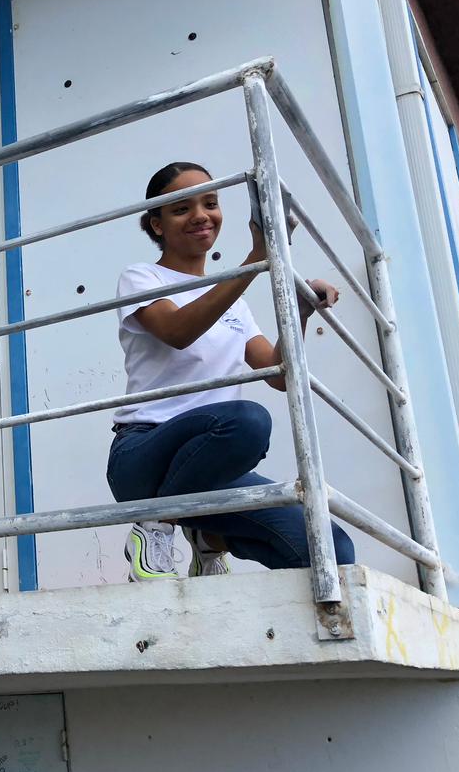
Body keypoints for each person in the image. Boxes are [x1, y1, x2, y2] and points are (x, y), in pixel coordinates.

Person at [107, 162, 356, 581]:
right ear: (157, 224)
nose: (201, 215)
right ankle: (156, 525)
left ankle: (208, 536)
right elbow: (178, 331)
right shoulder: (141, 277)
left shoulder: (234, 303)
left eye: (211, 203)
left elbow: (277, 375)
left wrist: (300, 309)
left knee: (333, 549)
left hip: (210, 470)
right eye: (182, 208)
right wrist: (257, 258)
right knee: (248, 421)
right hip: (144, 457)